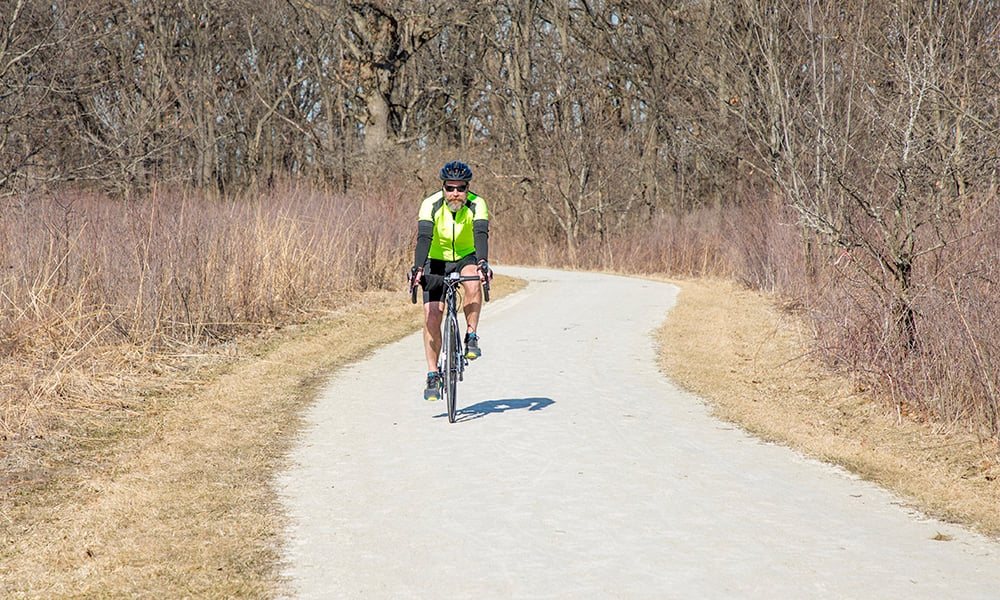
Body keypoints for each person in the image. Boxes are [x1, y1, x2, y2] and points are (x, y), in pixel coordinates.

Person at [409, 161, 492, 401]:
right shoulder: (430, 205)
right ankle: (433, 374)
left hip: (466, 255)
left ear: (468, 188)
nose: (455, 193)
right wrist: (417, 268)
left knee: (473, 281)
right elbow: (424, 238)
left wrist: (483, 262)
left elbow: (481, 235)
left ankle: (471, 335)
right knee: (433, 315)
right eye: (450, 188)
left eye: (461, 188)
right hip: (435, 258)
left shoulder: (478, 205)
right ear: (443, 187)